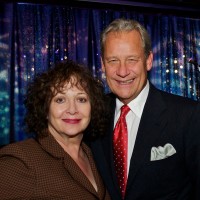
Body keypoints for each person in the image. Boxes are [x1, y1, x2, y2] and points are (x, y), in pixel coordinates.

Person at [89, 18, 200, 200]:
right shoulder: (92, 114)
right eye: (113, 60)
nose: (122, 71)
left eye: (132, 59)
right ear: (102, 64)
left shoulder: (188, 116)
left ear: (148, 61)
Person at [0, 60, 111, 200]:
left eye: (81, 99)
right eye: (60, 100)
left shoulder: (96, 156)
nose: (72, 109)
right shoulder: (20, 159)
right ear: (45, 109)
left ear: (93, 108)